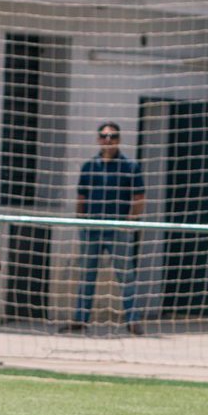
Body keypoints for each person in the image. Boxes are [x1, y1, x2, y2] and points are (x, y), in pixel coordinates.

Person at [62, 122, 146, 335]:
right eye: (105, 136)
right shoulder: (89, 167)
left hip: (117, 229)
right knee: (87, 275)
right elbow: (81, 197)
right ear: (99, 139)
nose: (108, 140)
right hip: (92, 229)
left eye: (113, 136)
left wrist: (129, 222)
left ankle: (133, 321)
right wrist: (81, 221)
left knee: (125, 275)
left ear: (119, 138)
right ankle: (80, 320)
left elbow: (139, 198)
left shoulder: (130, 166)